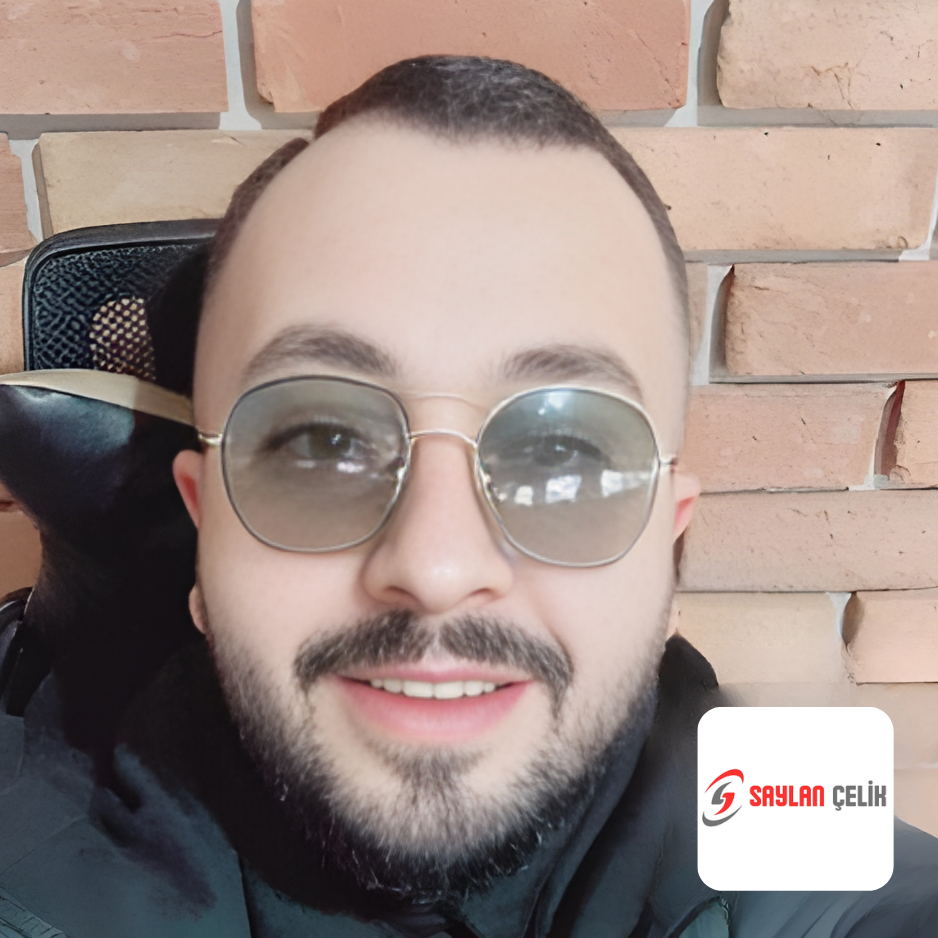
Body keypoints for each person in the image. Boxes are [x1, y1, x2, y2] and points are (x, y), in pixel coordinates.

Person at [0, 55, 936, 938]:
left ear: (665, 553)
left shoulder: (795, 832)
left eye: (561, 450)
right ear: (204, 532)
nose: (438, 567)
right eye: (323, 444)